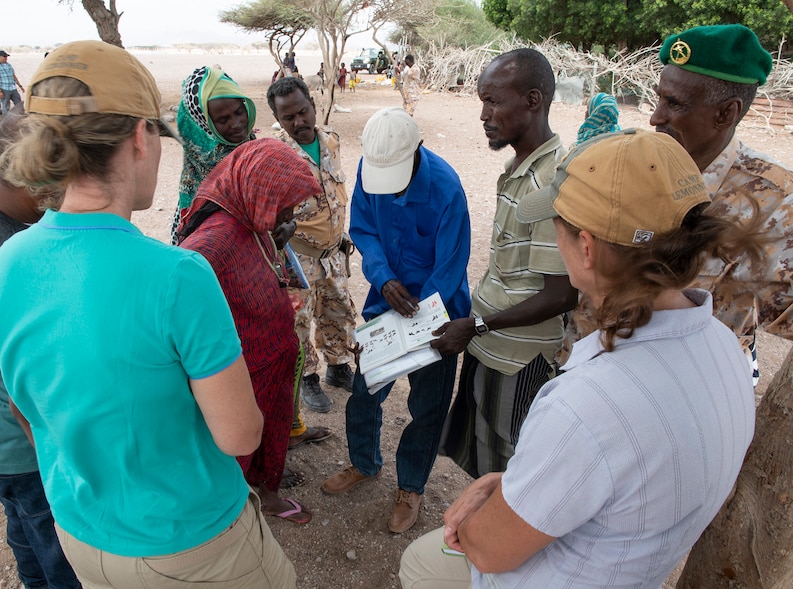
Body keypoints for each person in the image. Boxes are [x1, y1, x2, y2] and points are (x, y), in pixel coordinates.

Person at [0, 40, 295, 587]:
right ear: (138, 137)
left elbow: (25, 406)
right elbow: (241, 436)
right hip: (190, 543)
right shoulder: (177, 276)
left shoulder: (8, 261)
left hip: (81, 535)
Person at [399, 129, 758, 589]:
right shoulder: (725, 347)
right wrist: (507, 485)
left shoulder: (588, 404)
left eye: (556, 223)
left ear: (585, 248)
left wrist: (476, 511)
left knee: (422, 561)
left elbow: (487, 549)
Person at [321, 107, 471, 534]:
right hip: (383, 307)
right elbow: (363, 230)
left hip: (438, 315)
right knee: (364, 394)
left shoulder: (447, 189)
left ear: (418, 149)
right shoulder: (374, 169)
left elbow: (451, 265)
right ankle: (364, 463)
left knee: (427, 407)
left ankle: (410, 487)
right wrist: (383, 279)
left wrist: (421, 321)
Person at [433, 49, 578, 478]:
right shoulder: (519, 167)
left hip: (518, 356)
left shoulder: (551, 182)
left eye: (494, 101)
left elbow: (560, 294)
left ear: (533, 101)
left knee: (508, 464)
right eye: (482, 100)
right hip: (491, 342)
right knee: (482, 452)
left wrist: (477, 326)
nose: (484, 113)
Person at [178, 139, 321, 525]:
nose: (290, 211)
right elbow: (181, 313)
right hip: (242, 373)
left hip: (273, 359)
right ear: (260, 191)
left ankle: (268, 497)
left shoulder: (250, 218)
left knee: (272, 436)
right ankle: (233, 519)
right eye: (285, 201)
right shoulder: (212, 243)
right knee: (236, 450)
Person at [0, 108, 79, 589]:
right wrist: (62, 457)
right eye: (59, 182)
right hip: (21, 448)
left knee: (25, 532)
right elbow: (27, 387)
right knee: (61, 556)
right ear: (35, 183)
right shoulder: (6, 264)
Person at [650, 23, 793, 384]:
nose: (655, 117)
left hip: (696, 389)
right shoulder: (643, 164)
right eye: (659, 98)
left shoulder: (773, 198)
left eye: (674, 104)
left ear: (726, 114)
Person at [267, 76, 358, 414]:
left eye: (303, 112)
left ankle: (338, 366)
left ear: (313, 105)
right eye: (288, 118)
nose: (299, 122)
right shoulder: (274, 152)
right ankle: (308, 378)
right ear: (278, 119)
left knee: (338, 310)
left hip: (332, 252)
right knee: (300, 321)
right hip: (298, 255)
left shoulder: (331, 141)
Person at [170, 65, 256, 243]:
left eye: (239, 112)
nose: (236, 124)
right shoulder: (195, 202)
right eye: (223, 120)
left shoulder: (254, 149)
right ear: (203, 124)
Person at [0, 50, 24, 115]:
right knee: (5, 105)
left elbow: (13, 76)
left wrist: (20, 85)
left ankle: (20, 117)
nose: (6, 58)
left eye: (6, 56)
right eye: (4, 56)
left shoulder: (9, 65)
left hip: (12, 87)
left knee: (19, 103)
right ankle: (6, 120)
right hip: (4, 88)